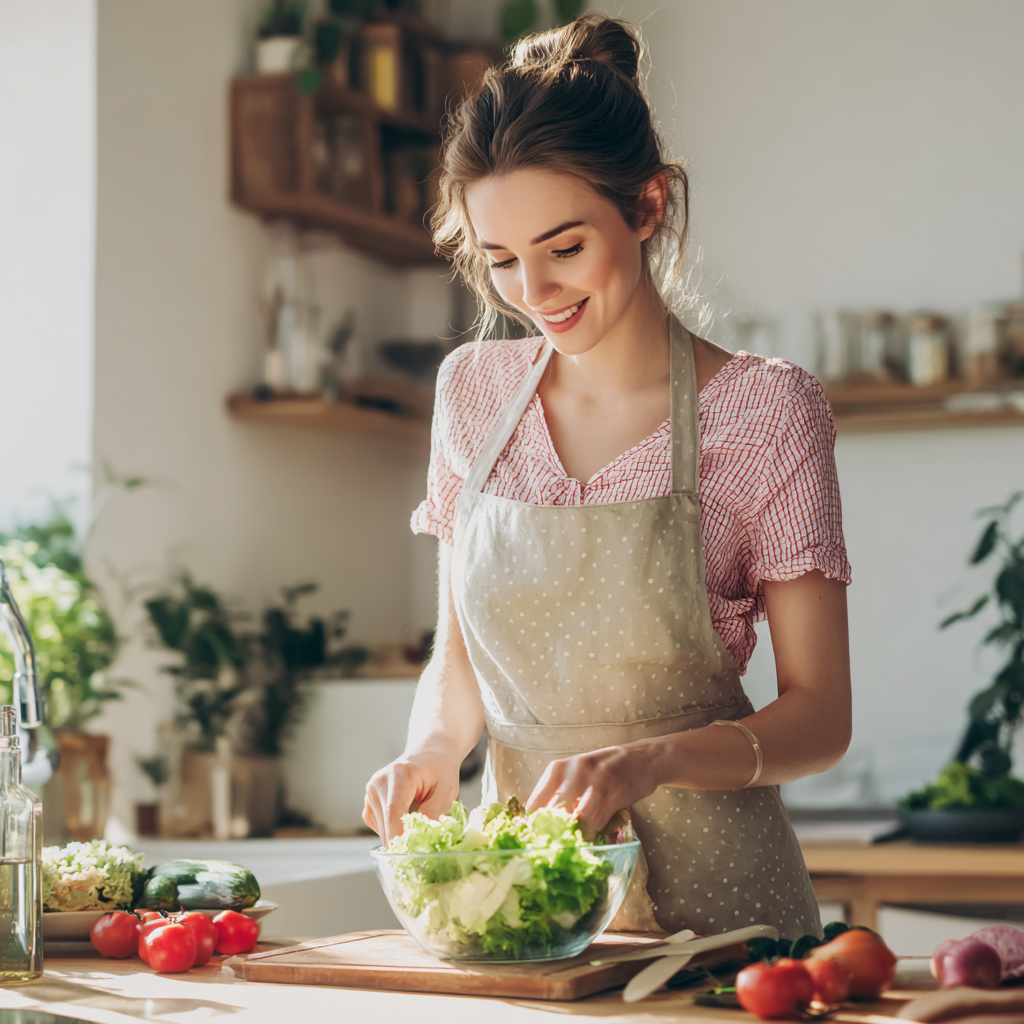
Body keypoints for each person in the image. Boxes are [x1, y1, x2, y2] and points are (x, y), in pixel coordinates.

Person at [363, 14, 851, 939]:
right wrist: (431, 748)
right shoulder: (471, 391)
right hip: (528, 904)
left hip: (726, 920)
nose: (535, 293)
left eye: (565, 247)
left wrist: (649, 760)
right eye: (500, 260)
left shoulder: (765, 410)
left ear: (648, 206)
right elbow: (458, 656)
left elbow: (821, 719)